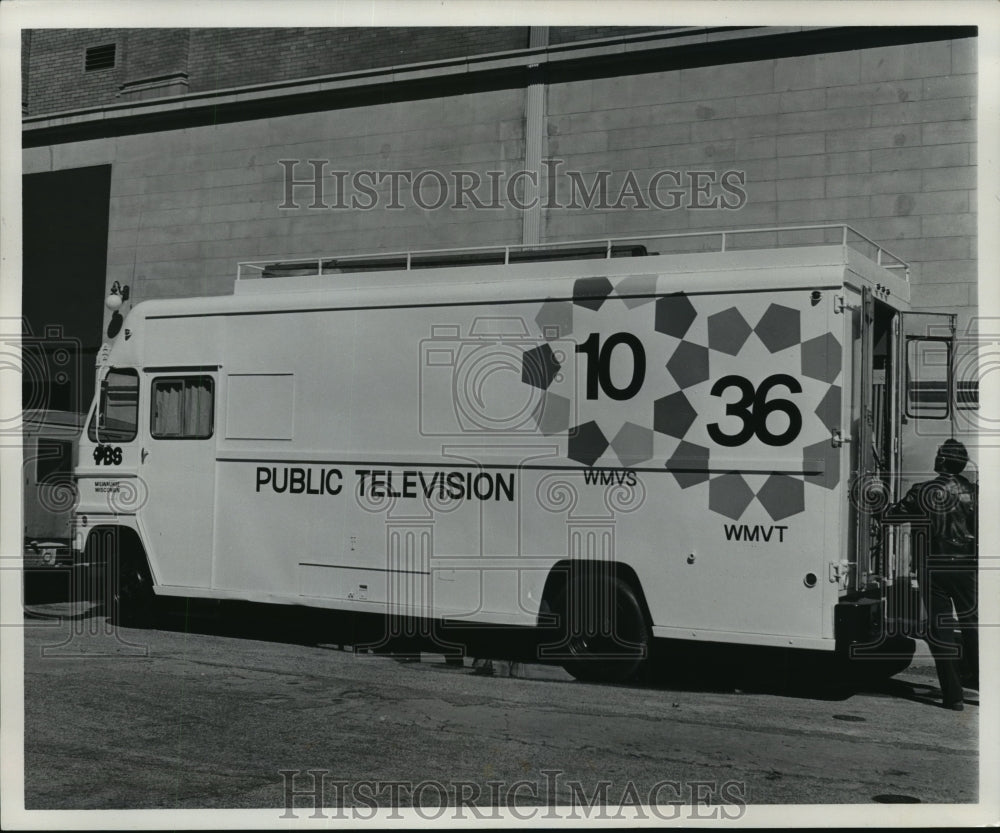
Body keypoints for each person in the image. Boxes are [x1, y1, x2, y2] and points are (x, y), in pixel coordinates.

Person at [883, 439, 978, 710]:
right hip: (966, 568)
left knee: (941, 631)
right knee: (973, 627)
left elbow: (890, 516)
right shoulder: (974, 492)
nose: (935, 458)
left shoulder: (921, 492)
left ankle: (953, 696)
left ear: (944, 461)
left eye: (939, 455)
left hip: (933, 569)